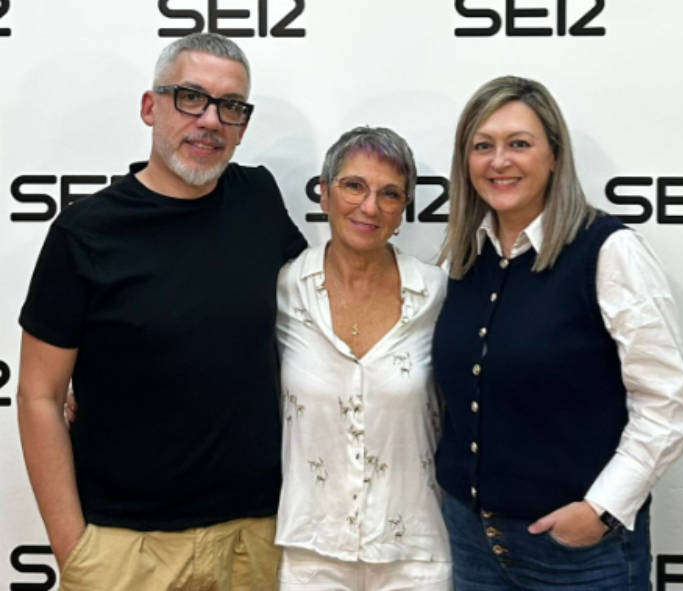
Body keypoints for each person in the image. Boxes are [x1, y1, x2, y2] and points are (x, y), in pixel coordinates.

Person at [17, 33, 306, 591]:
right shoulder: (85, 233)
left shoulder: (258, 198)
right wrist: (74, 552)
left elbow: (322, 298)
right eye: (191, 97)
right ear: (151, 107)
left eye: (231, 106)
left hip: (254, 541)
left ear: (243, 125)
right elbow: (38, 396)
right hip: (125, 550)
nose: (210, 120)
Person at [432, 76, 683, 590]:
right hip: (472, 543)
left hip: (578, 556)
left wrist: (601, 510)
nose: (499, 161)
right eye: (482, 146)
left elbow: (669, 405)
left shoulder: (608, 252)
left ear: (555, 155)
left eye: (519, 143)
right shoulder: (463, 259)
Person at [274, 127, 452, 590]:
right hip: (310, 556)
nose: (370, 207)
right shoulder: (285, 290)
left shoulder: (437, 295)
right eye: (354, 186)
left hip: (416, 556)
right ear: (324, 192)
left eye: (389, 194)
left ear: (403, 209)